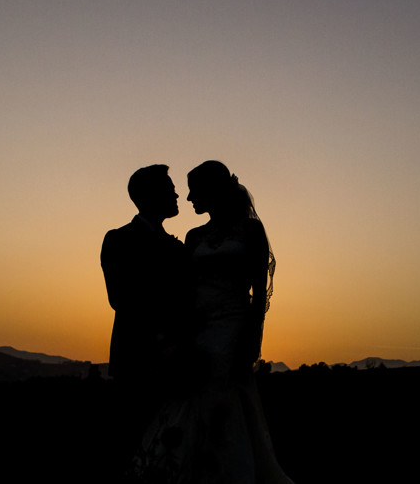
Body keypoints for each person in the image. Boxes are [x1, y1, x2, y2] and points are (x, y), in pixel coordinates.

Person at [133, 160, 293, 483]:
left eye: (194, 190)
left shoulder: (250, 231)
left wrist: (252, 340)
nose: (189, 198)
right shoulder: (193, 237)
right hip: (198, 326)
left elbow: (260, 294)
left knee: (226, 397)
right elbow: (184, 289)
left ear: (213, 190)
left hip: (233, 326)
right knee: (189, 395)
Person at [101, 164, 191, 469]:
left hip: (178, 363)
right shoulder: (118, 240)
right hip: (136, 361)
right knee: (131, 448)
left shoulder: (179, 248)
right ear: (149, 195)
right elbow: (120, 299)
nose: (177, 193)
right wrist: (162, 336)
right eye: (169, 187)